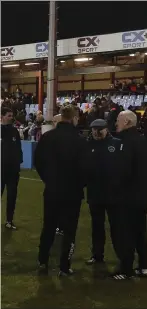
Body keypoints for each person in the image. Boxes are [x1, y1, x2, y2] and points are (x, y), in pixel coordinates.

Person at [34, 105, 86, 276]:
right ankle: (65, 266)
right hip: (72, 193)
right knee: (69, 231)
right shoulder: (79, 141)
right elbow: (86, 169)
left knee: (48, 227)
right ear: (73, 118)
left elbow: (38, 162)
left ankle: (42, 261)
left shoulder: (48, 137)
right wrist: (80, 184)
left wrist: (48, 180)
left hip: (52, 190)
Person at [111, 110, 147, 280]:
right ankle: (144, 266)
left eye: (118, 120)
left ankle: (126, 269)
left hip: (127, 195)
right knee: (140, 231)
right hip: (143, 194)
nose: (116, 123)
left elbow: (122, 170)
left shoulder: (124, 142)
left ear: (126, 122)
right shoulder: (143, 141)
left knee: (125, 231)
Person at [84, 119, 123, 265]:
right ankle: (97, 255)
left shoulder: (117, 144)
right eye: (94, 129)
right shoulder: (88, 145)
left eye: (99, 129)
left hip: (114, 194)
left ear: (106, 129)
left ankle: (122, 256)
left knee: (117, 227)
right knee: (97, 226)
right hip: (95, 194)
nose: (96, 132)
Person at [1, 107, 23, 230]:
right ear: (2, 116)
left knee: (12, 196)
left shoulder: (14, 131)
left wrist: (18, 162)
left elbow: (18, 149)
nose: (11, 117)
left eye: (11, 115)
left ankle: (9, 220)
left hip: (13, 171)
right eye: (8, 115)